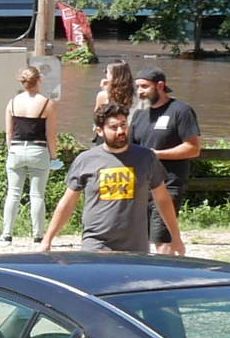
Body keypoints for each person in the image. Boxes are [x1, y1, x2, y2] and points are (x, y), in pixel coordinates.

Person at [41, 103, 184, 256]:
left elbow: (162, 199)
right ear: (100, 131)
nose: (121, 131)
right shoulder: (86, 160)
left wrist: (175, 237)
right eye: (114, 127)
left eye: (123, 125)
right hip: (96, 244)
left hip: (136, 246)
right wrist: (47, 239)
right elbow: (68, 202)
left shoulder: (146, 158)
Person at [0, 65, 57, 242]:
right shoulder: (47, 103)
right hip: (38, 150)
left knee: (13, 193)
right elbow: (51, 134)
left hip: (16, 148)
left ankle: (7, 234)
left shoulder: (13, 102)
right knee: (37, 194)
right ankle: (38, 235)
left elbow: (9, 132)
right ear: (39, 80)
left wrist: (11, 150)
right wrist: (54, 156)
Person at [138, 68, 204, 221]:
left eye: (144, 86)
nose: (140, 91)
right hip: (141, 186)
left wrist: (157, 154)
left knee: (163, 240)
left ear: (160, 86)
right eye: (137, 87)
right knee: (139, 239)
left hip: (168, 186)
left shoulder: (181, 111)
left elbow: (193, 149)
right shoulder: (139, 114)